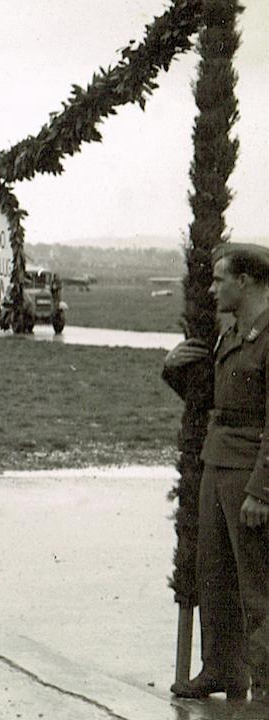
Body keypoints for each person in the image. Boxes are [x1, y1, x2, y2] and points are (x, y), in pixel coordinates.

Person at [164, 243, 269, 702]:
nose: (212, 287)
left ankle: (264, 682)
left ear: (244, 281)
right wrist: (173, 370)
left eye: (220, 278)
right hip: (217, 463)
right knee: (216, 575)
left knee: (257, 587)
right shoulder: (234, 334)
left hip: (249, 473)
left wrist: (262, 490)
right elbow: (212, 401)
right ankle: (223, 670)